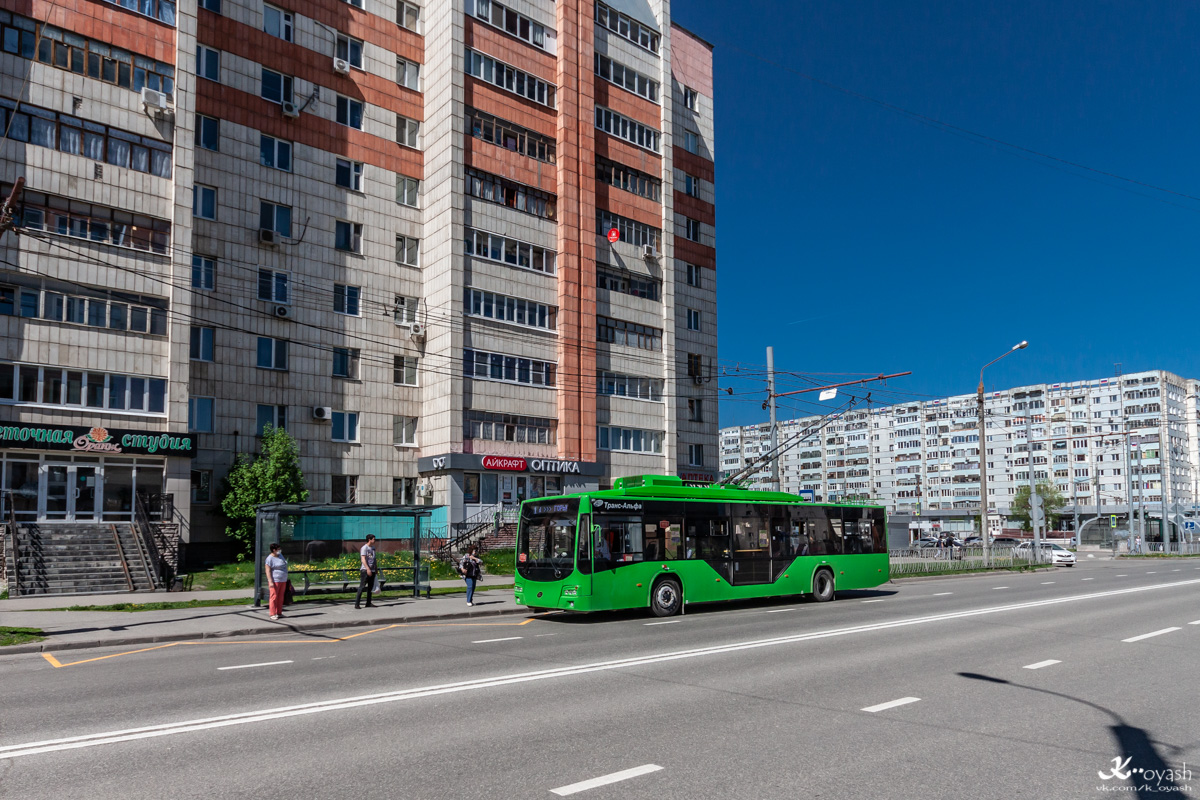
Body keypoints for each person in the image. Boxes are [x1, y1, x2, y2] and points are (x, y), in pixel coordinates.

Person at [265, 542, 288, 620]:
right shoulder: (269, 559)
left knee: (280, 596)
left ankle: (279, 612)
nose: (279, 551)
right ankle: (272, 613)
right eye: (278, 549)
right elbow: (268, 571)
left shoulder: (280, 556)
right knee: (274, 596)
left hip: (283, 580)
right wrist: (270, 581)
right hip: (275, 580)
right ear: (274, 550)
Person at [355, 534, 377, 609]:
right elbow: (363, 559)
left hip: (372, 569)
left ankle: (368, 602)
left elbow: (374, 559)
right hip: (365, 570)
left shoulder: (373, 548)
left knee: (370, 587)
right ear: (369, 540)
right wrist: (367, 569)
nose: (374, 540)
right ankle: (357, 604)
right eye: (373, 539)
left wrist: (375, 568)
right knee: (362, 586)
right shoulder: (364, 548)